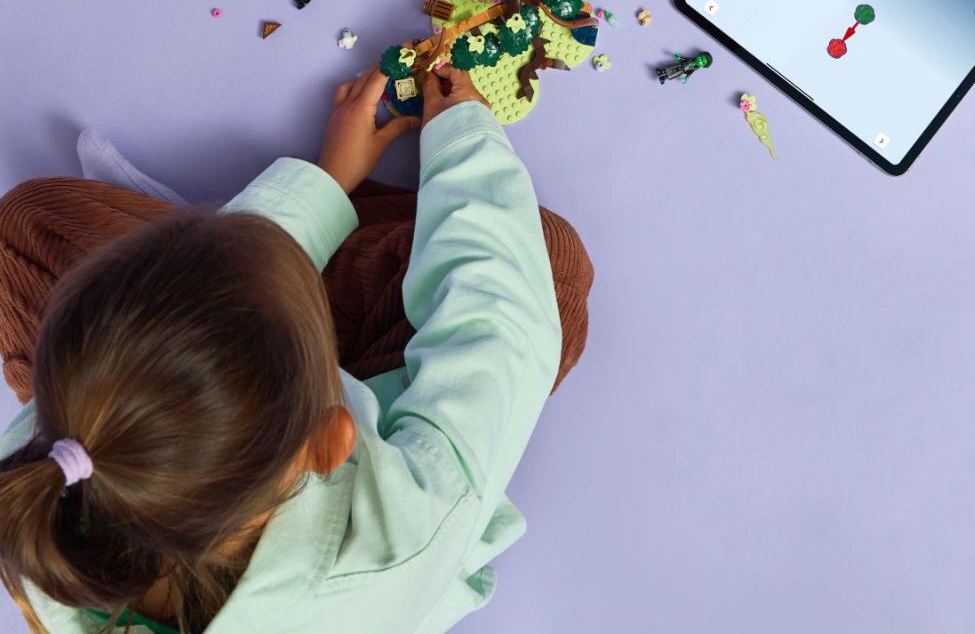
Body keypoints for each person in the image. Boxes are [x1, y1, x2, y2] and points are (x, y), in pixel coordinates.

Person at [0, 65, 593, 634]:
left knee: (28, 220)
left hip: (177, 429)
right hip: (393, 451)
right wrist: (463, 133)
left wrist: (327, 177)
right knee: (546, 260)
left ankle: (256, 255)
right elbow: (500, 333)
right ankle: (280, 249)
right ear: (331, 442)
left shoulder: (51, 464)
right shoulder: (403, 537)